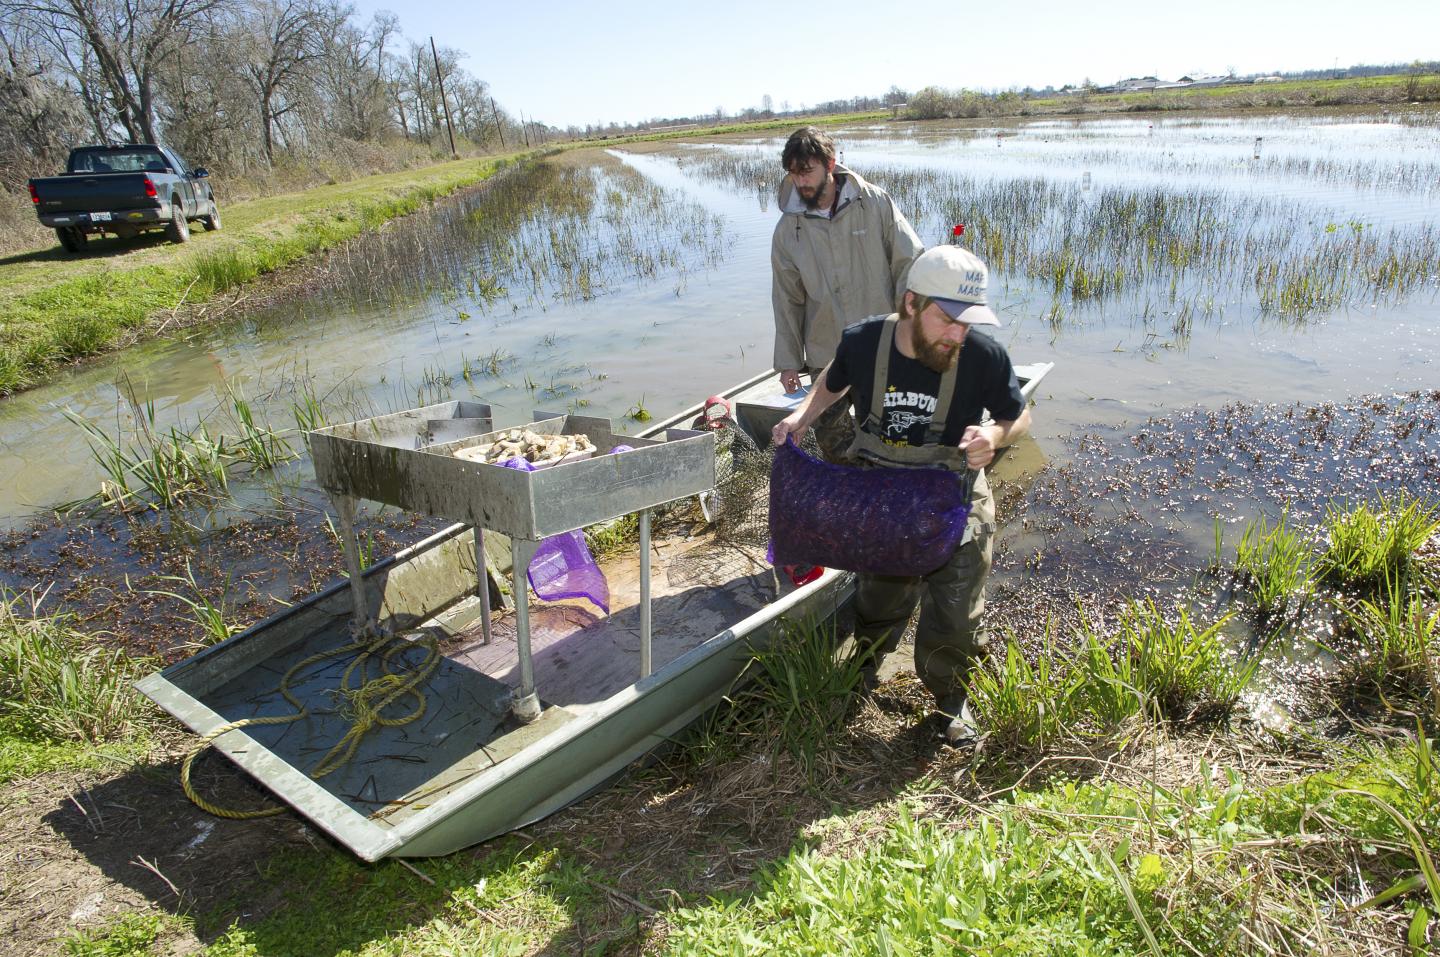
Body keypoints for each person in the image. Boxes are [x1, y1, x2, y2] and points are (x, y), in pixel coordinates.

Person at [771, 245, 1031, 745]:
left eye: (967, 322)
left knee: (956, 613)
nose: (958, 334)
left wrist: (994, 438)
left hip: (953, 496)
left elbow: (1018, 413)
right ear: (911, 303)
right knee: (879, 596)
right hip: (884, 494)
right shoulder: (865, 341)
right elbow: (833, 379)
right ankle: (865, 670)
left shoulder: (983, 356)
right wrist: (799, 417)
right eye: (947, 319)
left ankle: (951, 701)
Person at [771, 126, 923, 462]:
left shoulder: (875, 203)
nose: (800, 182)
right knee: (834, 446)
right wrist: (788, 362)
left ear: (830, 163)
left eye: (807, 171)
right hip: (826, 354)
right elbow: (787, 299)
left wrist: (911, 330)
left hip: (882, 350)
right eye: (793, 174)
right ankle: (849, 501)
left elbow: (909, 265)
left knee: (890, 441)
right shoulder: (787, 231)